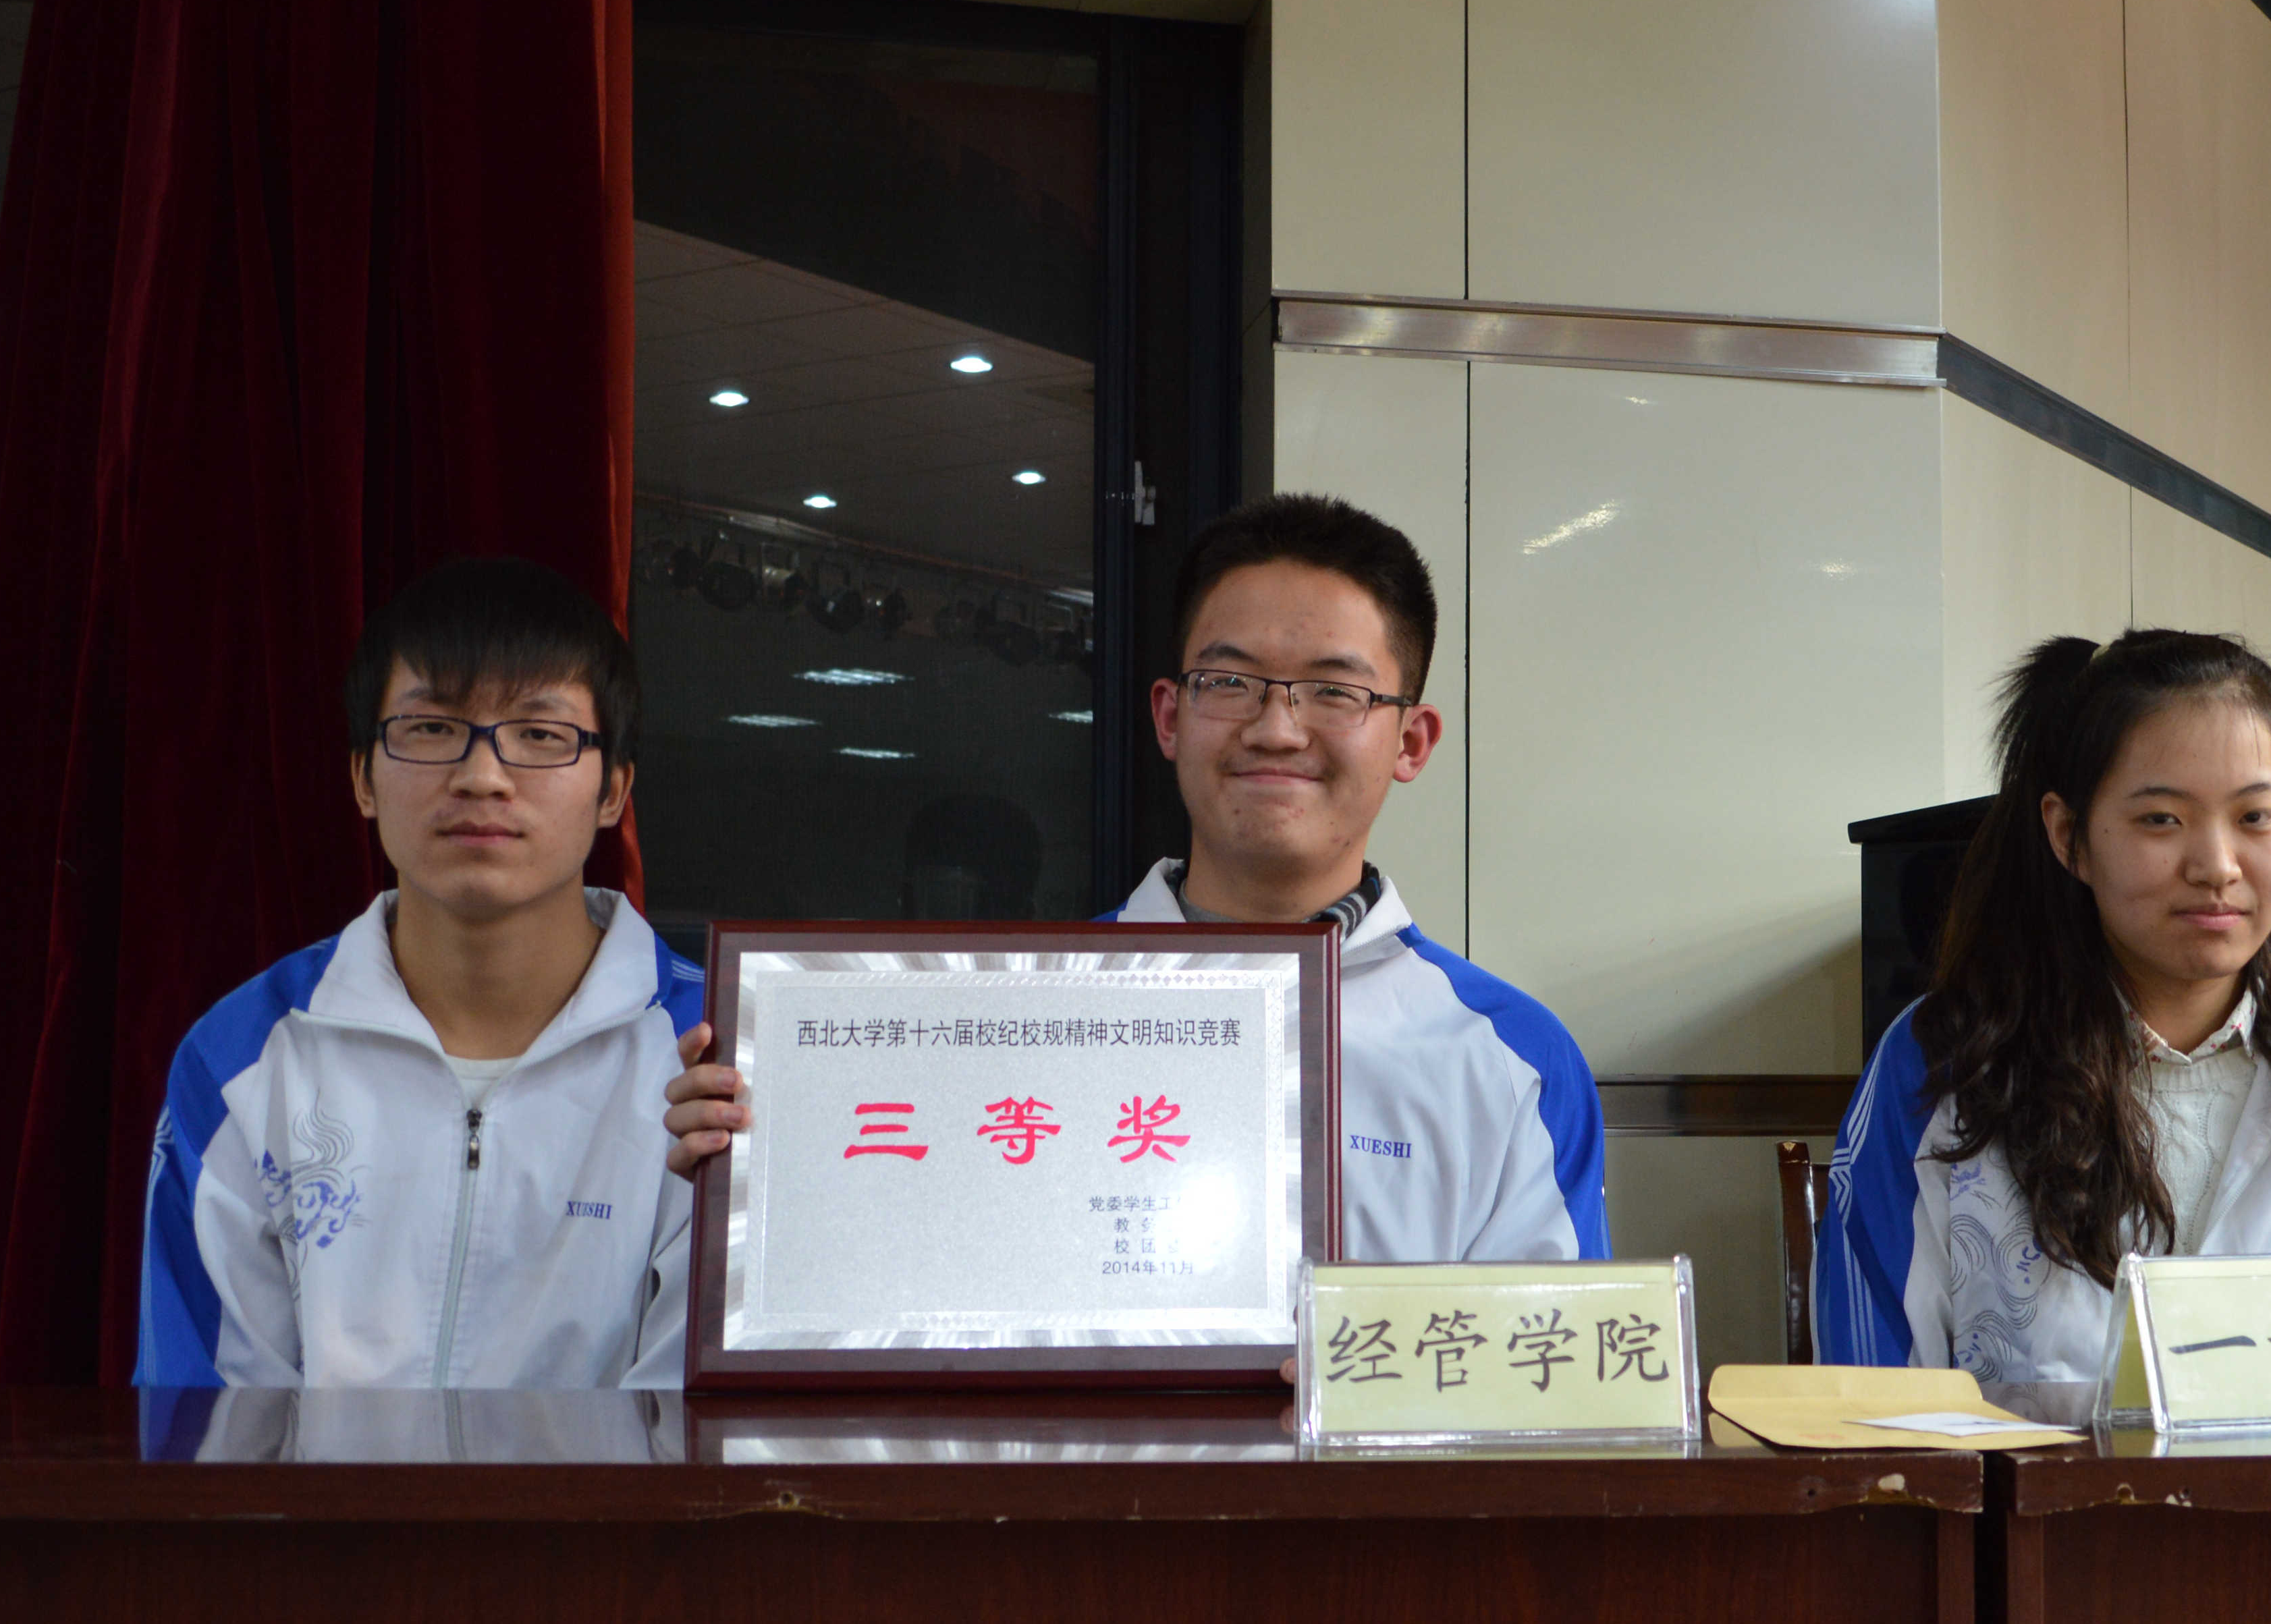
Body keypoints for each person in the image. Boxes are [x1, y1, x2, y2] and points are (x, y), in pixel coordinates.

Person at [663, 495, 1606, 1262]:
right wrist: (768, 1163)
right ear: (1169, 717)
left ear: (1411, 741)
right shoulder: (1002, 1013)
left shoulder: (1511, 1059)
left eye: (1334, 690)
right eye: (1229, 682)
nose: (1277, 728)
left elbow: (1553, 1391)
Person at [1817, 630, 2271, 1384]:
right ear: (2068, 835)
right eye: (2161, 819)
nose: (2217, 867)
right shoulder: (1942, 1061)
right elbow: (1867, 1405)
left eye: (2255, 817)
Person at [137, 558, 707, 1389]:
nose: (482, 776)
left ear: (613, 791)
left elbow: (702, 1420)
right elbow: (202, 1414)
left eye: (540, 735)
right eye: (432, 728)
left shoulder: (708, 1055)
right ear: (363, 777)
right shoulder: (243, 1060)